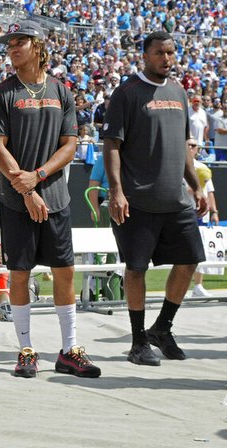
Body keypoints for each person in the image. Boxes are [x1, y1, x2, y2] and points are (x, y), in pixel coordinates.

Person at [0, 20, 101, 379]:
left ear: (38, 46)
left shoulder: (61, 92)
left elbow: (69, 146)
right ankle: (26, 350)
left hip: (56, 198)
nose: (13, 48)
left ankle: (69, 350)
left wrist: (37, 178)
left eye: (20, 41)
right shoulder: (2, 92)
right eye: (10, 43)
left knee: (64, 271)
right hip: (17, 201)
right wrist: (27, 191)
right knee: (19, 274)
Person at [102, 31, 208, 366]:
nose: (167, 58)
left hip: (176, 200)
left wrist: (197, 186)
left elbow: (183, 146)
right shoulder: (127, 93)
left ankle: (162, 328)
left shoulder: (179, 91)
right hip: (137, 200)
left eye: (171, 52)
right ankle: (137, 343)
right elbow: (112, 145)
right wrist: (117, 191)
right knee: (136, 269)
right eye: (160, 53)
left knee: (190, 260)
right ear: (145, 55)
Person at [187, 138, 218, 298]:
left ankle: (198, 285)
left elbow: (210, 192)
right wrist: (195, 188)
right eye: (189, 145)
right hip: (186, 211)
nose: (192, 148)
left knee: (202, 249)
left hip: (202, 213)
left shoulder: (203, 168)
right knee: (186, 251)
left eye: (194, 145)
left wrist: (214, 211)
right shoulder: (180, 166)